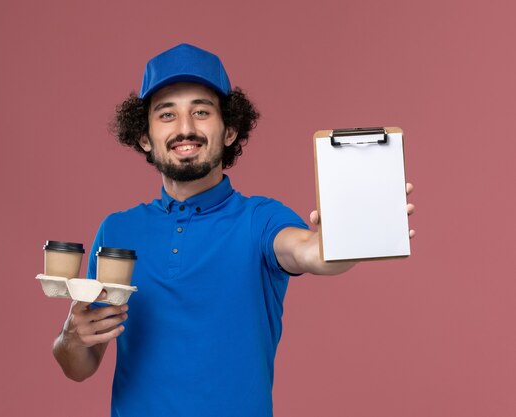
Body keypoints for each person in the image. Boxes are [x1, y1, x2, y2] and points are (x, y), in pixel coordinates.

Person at [52, 43, 415, 417]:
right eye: (166, 115)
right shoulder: (117, 230)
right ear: (145, 137)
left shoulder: (260, 219)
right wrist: (71, 338)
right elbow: (80, 364)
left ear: (229, 130)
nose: (185, 128)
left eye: (201, 111)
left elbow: (310, 251)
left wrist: (344, 238)